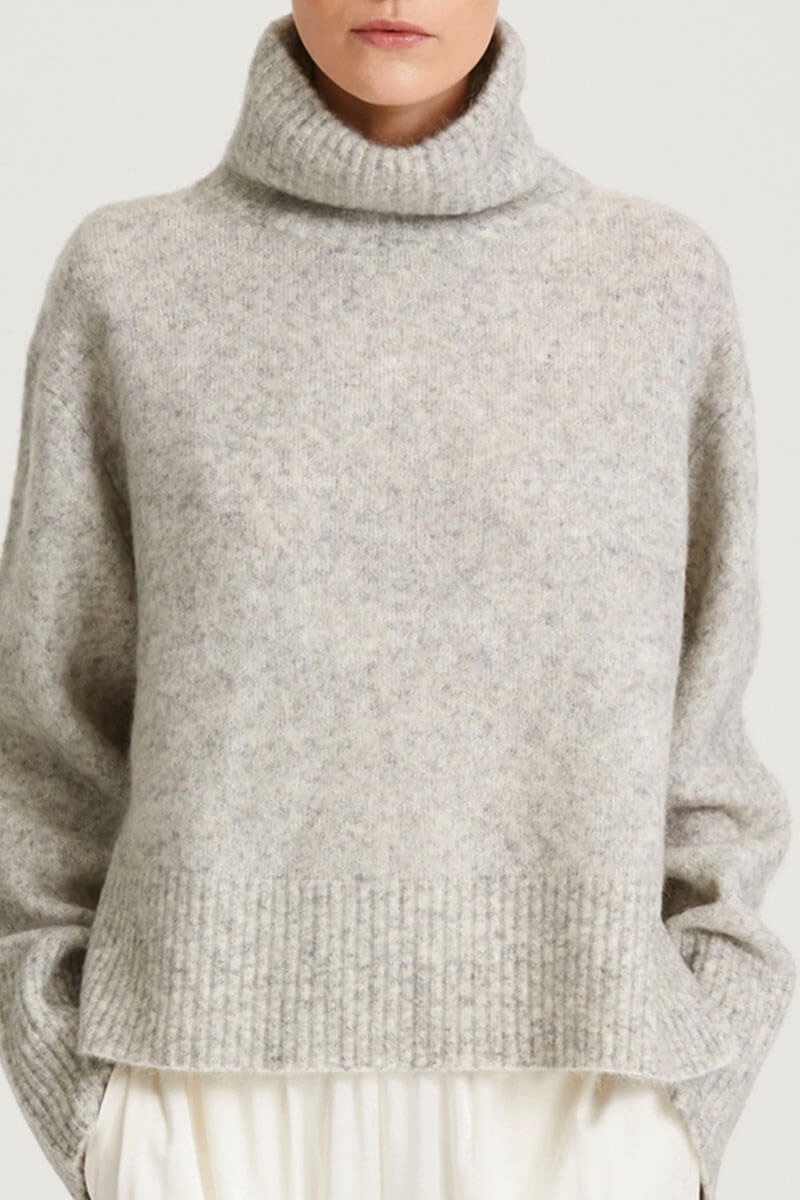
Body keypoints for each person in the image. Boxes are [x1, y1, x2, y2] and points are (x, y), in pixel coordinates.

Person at [0, 4, 793, 1200]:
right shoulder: (130, 280)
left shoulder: (652, 283)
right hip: (202, 1106)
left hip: (579, 1110)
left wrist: (683, 1105)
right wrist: (93, 1107)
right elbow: (43, 743)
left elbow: (709, 742)